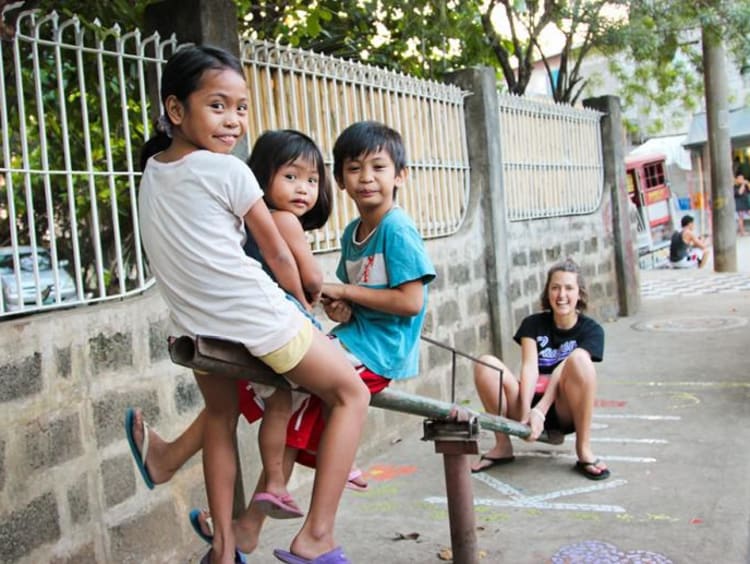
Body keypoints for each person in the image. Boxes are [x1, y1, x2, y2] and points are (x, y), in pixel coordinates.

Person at [135, 45, 369, 564]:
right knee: (351, 393)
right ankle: (317, 536)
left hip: (195, 328)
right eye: (218, 106)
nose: (234, 121)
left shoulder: (152, 172)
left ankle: (224, 548)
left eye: (241, 108)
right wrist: (305, 309)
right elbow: (279, 257)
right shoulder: (229, 171)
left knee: (221, 416)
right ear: (177, 110)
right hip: (260, 320)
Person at [175, 120, 436, 559]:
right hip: (353, 337)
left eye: (379, 167)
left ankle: (297, 531)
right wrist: (343, 307)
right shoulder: (355, 234)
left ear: (401, 175)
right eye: (355, 168)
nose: (367, 178)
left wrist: (345, 293)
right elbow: (353, 298)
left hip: (379, 353)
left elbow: (411, 302)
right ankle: (251, 529)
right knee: (285, 400)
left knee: (292, 402)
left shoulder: (397, 228)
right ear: (341, 180)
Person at [471, 258, 610, 481]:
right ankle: (503, 446)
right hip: (528, 401)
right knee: (485, 364)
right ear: (547, 292)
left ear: (580, 294)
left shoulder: (591, 331)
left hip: (564, 409)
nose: (561, 295)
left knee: (578, 360)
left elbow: (561, 372)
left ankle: (584, 450)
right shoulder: (533, 324)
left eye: (568, 288)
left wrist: (540, 412)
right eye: (555, 287)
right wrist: (527, 412)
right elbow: (529, 368)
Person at [734, 172, 749, 236]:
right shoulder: (735, 186)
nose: (741, 179)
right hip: (740, 205)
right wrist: (743, 184)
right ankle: (742, 232)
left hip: (746, 204)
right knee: (741, 218)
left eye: (742, 178)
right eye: (740, 178)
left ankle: (743, 232)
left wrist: (747, 184)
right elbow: (739, 193)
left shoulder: (745, 185)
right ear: (737, 179)